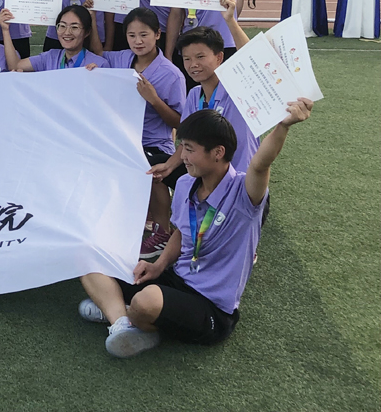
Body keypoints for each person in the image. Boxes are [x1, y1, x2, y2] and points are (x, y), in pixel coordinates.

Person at [78, 100, 314, 358]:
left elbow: (260, 164)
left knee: (146, 301)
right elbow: (181, 231)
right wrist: (158, 266)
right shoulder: (184, 184)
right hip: (175, 281)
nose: (183, 157)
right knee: (91, 256)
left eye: (189, 149)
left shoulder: (244, 193)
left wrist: (283, 126)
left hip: (211, 307)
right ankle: (123, 322)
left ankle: (126, 313)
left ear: (218, 152)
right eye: (182, 147)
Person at [100, 7, 185, 260]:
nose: (137, 41)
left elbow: (181, 123)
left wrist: (154, 100)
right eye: (131, 35)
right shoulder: (121, 59)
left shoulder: (172, 75)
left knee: (151, 169)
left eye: (144, 35)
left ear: (158, 34)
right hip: (121, 138)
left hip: (154, 142)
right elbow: (99, 58)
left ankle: (162, 231)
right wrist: (93, 65)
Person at [153, 0, 259, 179]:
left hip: (240, 182)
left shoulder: (237, 89)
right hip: (205, 178)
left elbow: (252, 58)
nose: (193, 64)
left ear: (219, 57)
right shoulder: (194, 95)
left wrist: (230, 20)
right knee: (151, 167)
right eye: (187, 59)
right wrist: (168, 167)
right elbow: (187, 142)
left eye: (200, 57)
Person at [2, 4, 107, 72]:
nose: (67, 32)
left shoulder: (99, 65)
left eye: (74, 27)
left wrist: (98, 77)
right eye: (62, 26)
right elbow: (15, 66)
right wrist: (5, 30)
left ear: (87, 32)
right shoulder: (50, 57)